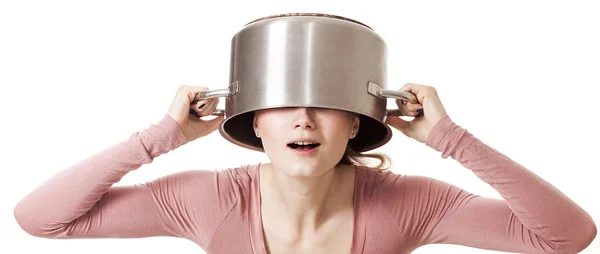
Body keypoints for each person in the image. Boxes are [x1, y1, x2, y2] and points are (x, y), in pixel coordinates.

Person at [13, 83, 597, 254]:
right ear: (255, 123)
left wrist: (450, 139)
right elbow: (41, 220)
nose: (305, 121)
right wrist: (159, 138)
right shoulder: (209, 201)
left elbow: (568, 237)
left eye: (326, 106)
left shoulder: (413, 204)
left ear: (354, 126)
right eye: (285, 106)